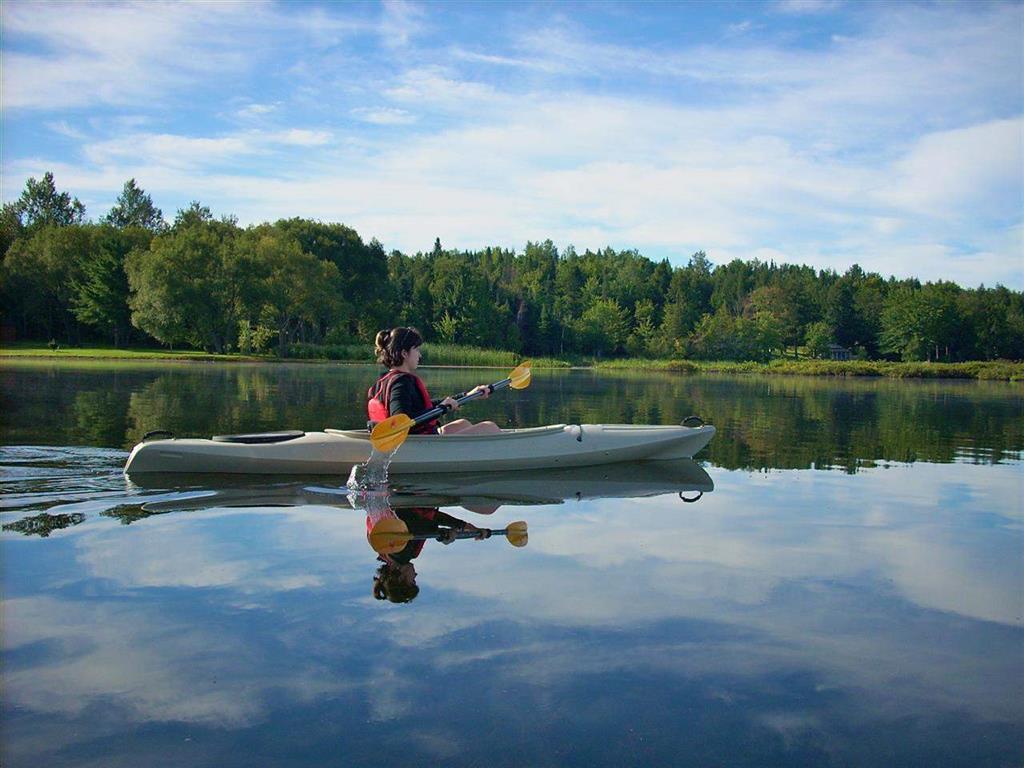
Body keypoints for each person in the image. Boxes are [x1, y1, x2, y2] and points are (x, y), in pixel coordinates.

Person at [368, 327, 501, 436]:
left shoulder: (385, 381)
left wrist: (467, 396)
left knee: (463, 423)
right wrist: (440, 408)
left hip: (417, 439)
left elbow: (421, 407)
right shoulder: (401, 382)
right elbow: (400, 422)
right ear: (404, 353)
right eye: (416, 349)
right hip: (415, 444)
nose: (419, 355)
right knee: (490, 427)